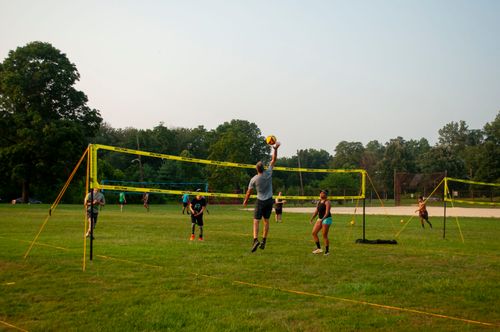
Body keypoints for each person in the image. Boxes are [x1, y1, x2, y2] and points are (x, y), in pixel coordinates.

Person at [243, 141, 281, 252]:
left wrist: (245, 200)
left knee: (256, 221)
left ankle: (255, 240)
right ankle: (264, 240)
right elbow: (273, 160)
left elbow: (249, 192)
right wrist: (275, 149)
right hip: (269, 201)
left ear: (256, 169)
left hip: (260, 201)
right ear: (263, 168)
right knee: (266, 221)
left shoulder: (254, 179)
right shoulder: (268, 173)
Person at [309, 189, 332, 256]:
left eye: (323, 193)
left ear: (326, 195)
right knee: (314, 233)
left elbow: (327, 213)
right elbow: (316, 211)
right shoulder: (319, 202)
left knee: (324, 235)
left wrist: (322, 220)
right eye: (321, 193)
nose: (321, 194)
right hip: (320, 219)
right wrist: (312, 218)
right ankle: (319, 249)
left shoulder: (327, 202)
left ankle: (327, 251)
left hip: (326, 219)